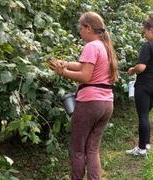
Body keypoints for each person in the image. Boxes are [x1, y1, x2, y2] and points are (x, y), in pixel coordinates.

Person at [49, 11, 118, 180]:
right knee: (93, 149)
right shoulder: (104, 46)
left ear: (88, 28)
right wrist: (66, 64)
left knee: (78, 149)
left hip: (90, 103)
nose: (80, 31)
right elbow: (83, 66)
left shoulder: (90, 46)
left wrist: (63, 72)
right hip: (106, 103)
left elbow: (86, 76)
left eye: (81, 28)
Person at [126, 13, 153, 157]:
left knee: (143, 117)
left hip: (144, 86)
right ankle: (146, 143)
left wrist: (132, 70)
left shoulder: (148, 45)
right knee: (145, 115)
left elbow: (141, 67)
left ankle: (141, 149)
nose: (144, 35)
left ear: (151, 29)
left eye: (145, 31)